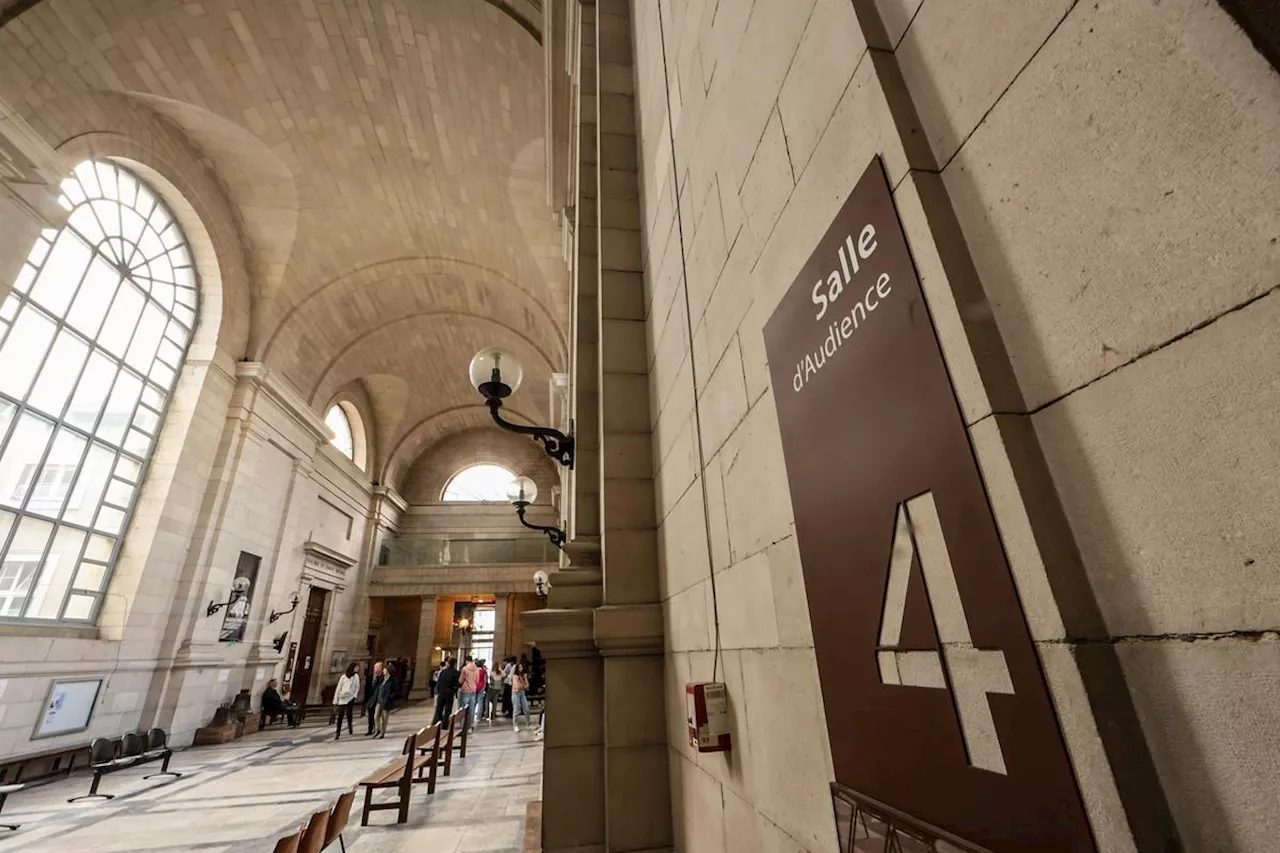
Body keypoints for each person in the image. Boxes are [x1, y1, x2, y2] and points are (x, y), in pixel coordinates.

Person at [333, 662, 360, 739]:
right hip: (342, 697)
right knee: (340, 715)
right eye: (356, 667)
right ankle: (338, 732)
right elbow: (338, 688)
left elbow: (357, 687)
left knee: (349, 714)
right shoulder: (344, 677)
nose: (357, 669)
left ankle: (350, 727)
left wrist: (354, 695)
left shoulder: (356, 677)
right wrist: (335, 700)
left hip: (350, 697)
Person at [432, 658, 460, 726]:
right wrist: (454, 690)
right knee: (448, 709)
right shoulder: (456, 672)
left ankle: (436, 722)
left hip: (442, 692)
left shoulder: (443, 671)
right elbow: (456, 683)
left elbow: (439, 682)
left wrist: (438, 691)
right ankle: (445, 724)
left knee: (439, 708)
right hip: (450, 693)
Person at [374, 659, 397, 738]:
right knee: (376, 716)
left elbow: (395, 690)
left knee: (384, 718)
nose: (383, 671)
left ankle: (382, 733)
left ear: (388, 671)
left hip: (387, 701)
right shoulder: (382, 678)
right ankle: (377, 729)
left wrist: (390, 697)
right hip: (379, 700)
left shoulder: (393, 680)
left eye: (384, 669)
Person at [458, 655, 479, 729]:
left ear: (466, 661)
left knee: (463, 708)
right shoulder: (476, 669)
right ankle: (470, 726)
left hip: (466, 690)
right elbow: (477, 680)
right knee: (471, 709)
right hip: (473, 689)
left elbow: (460, 680)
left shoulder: (465, 668)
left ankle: (462, 726)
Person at [365, 661, 384, 736]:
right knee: (370, 714)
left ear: (381, 668)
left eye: (377, 667)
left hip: (378, 699)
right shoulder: (370, 676)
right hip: (370, 698)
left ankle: (377, 728)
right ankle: (370, 729)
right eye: (375, 667)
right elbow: (367, 688)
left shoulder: (382, 677)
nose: (375, 669)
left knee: (376, 715)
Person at [511, 663, 531, 733]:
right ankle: (515, 725)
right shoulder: (515, 676)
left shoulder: (522, 676)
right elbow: (517, 686)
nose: (520, 669)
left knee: (526, 709)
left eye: (521, 667)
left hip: (522, 693)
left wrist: (525, 679)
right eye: (519, 667)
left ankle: (528, 724)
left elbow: (527, 685)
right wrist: (523, 685)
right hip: (516, 694)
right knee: (516, 710)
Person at [485, 658, 504, 722]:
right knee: (495, 702)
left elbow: (490, 678)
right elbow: (505, 675)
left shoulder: (492, 672)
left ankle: (487, 715)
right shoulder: (500, 672)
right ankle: (493, 715)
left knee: (487, 701)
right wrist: (500, 669)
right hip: (498, 688)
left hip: (492, 688)